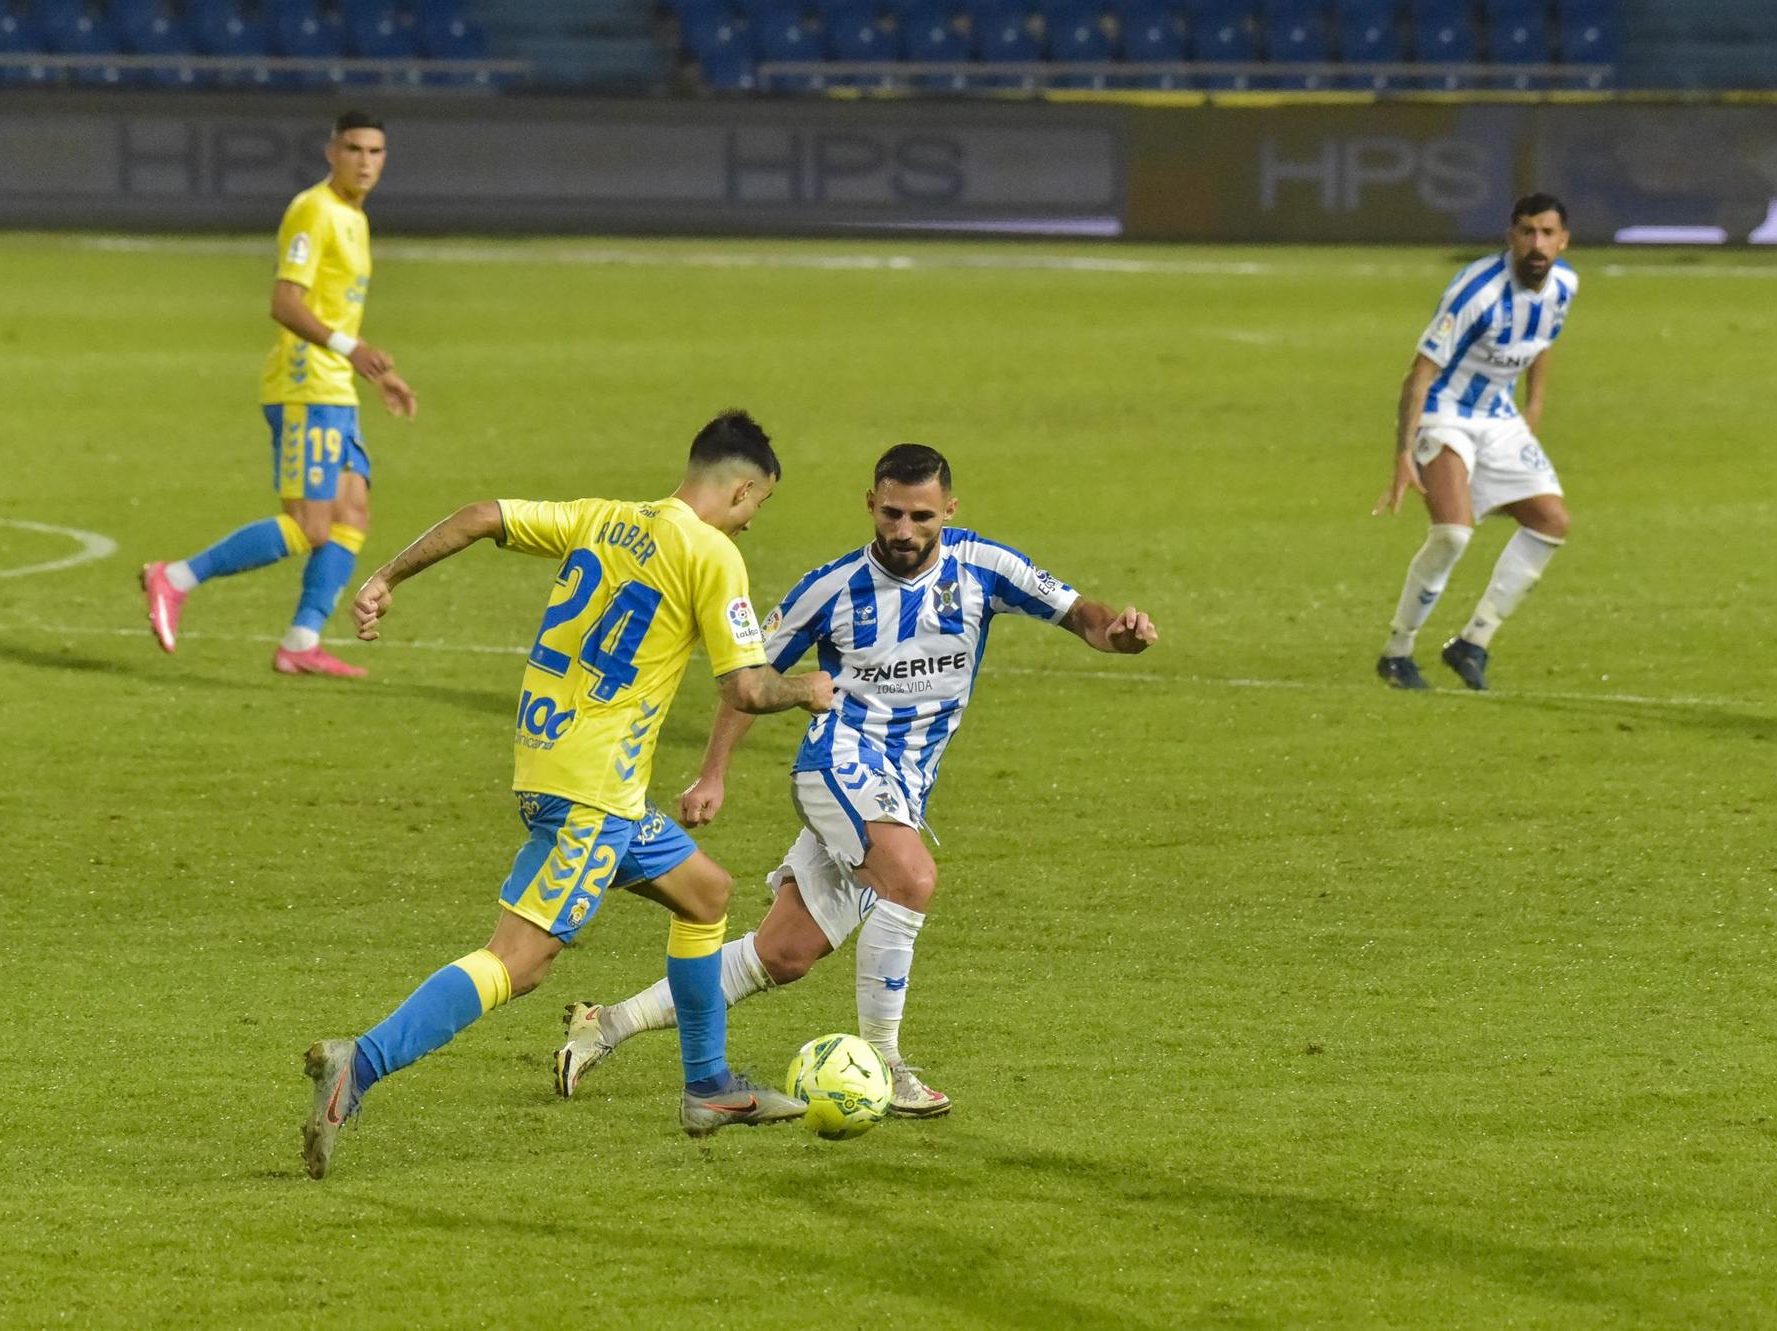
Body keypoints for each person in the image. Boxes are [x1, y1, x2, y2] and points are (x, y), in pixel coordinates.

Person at [298, 411, 835, 1179]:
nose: (751, 524)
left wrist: (386, 576)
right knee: (521, 960)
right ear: (742, 489)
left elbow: (483, 515)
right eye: (759, 507)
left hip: (555, 763)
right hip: (595, 792)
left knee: (707, 895)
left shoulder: (603, 519)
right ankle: (362, 1063)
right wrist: (804, 688)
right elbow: (746, 688)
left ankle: (708, 1087)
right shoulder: (711, 554)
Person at [554, 443, 1158, 1118]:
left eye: (921, 516)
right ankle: (887, 1062)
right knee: (911, 877)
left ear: (949, 511)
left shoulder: (984, 566)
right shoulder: (830, 587)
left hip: (902, 789)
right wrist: (712, 774)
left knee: (782, 954)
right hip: (837, 765)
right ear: (871, 503)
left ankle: (604, 1024)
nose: (904, 530)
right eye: (892, 512)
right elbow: (745, 684)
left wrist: (1119, 633)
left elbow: (1080, 613)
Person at [140, 109, 419, 678]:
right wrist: (352, 351)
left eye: (376, 152)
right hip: (304, 384)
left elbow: (330, 309)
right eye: (355, 150)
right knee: (308, 524)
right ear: (331, 152)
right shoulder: (313, 211)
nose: (365, 162)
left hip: (335, 384)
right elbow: (285, 303)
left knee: (353, 512)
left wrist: (373, 369)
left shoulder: (354, 218)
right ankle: (174, 578)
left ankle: (300, 642)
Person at [1372, 192, 1579, 692]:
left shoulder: (1565, 284)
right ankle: (1398, 651)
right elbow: (1419, 376)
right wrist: (1403, 453)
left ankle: (1473, 642)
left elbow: (1543, 340)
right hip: (1443, 413)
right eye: (1527, 232)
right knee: (1453, 534)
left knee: (1551, 521)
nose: (1537, 244)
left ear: (1563, 240)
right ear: (1511, 236)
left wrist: (1533, 408)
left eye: (1547, 234)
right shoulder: (1477, 294)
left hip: (1498, 415)